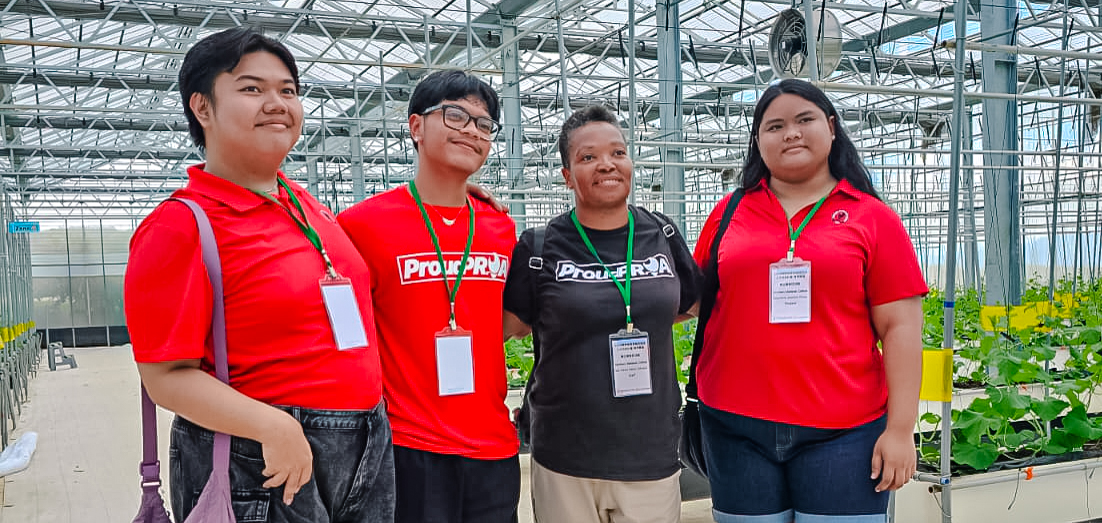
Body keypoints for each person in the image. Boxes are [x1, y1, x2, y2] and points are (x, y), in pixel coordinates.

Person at [125, 27, 394, 522]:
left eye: (287, 90)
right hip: (263, 455)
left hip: (366, 445)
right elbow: (164, 377)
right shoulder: (181, 224)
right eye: (252, 89)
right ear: (202, 108)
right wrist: (274, 428)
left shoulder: (305, 205)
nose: (276, 102)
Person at [693, 79, 926, 523]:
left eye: (805, 119)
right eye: (774, 126)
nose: (791, 133)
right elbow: (688, 298)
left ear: (832, 128)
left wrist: (900, 430)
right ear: (758, 141)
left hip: (844, 430)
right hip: (732, 425)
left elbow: (901, 328)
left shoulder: (871, 217)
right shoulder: (728, 212)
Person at [502, 105, 700, 523]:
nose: (606, 164)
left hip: (649, 450)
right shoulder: (540, 247)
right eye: (587, 157)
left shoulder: (661, 234)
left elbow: (688, 306)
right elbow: (512, 327)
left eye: (618, 152)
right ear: (567, 175)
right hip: (565, 452)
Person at [338, 69, 520, 523]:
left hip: (494, 444)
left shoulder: (500, 227)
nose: (471, 131)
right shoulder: (362, 225)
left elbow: (511, 318)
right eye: (455, 115)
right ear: (416, 126)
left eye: (483, 124)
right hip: (408, 446)